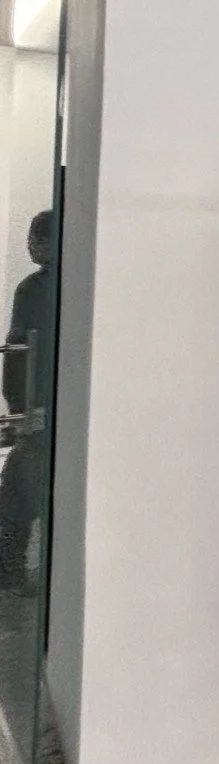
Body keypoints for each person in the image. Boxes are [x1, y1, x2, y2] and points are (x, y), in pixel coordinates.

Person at [0, 211, 55, 594]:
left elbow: (18, 356)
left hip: (39, 411)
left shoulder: (33, 290)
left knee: (15, 500)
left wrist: (20, 409)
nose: (29, 246)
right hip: (52, 409)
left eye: (34, 239)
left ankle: (13, 573)